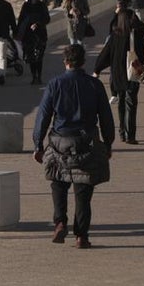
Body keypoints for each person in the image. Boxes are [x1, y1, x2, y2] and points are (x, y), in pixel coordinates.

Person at [33, 43, 114, 249]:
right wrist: (108, 142)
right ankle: (81, 235)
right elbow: (105, 116)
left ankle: (60, 222)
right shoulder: (94, 85)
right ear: (83, 62)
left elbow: (43, 116)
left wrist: (38, 144)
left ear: (65, 61)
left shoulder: (55, 84)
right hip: (86, 142)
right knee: (83, 191)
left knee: (58, 184)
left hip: (60, 141)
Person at [93, 0, 144, 144]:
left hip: (117, 74)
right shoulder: (135, 36)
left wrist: (97, 70)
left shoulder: (114, 37)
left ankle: (122, 133)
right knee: (131, 102)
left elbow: (104, 55)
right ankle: (130, 135)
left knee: (122, 102)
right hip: (132, 73)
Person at [16, 0, 50, 84]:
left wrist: (38, 24)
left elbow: (47, 19)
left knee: (39, 57)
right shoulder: (26, 5)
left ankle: (39, 76)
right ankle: (33, 76)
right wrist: (18, 32)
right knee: (30, 57)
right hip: (28, 36)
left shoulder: (42, 5)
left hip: (40, 35)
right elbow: (21, 19)